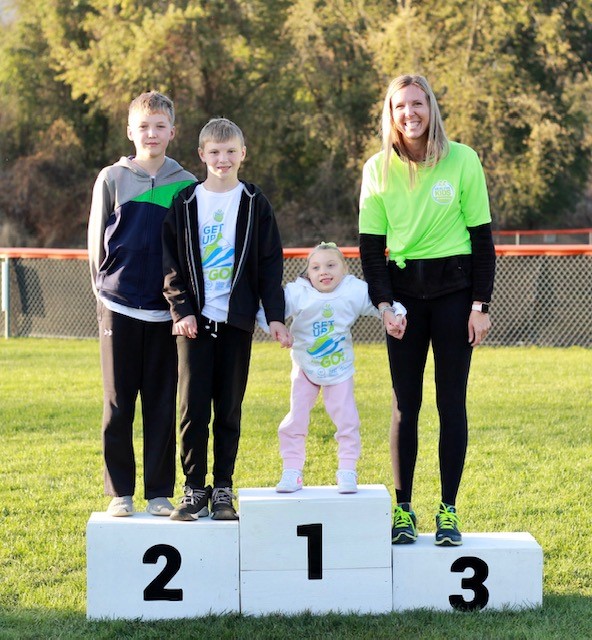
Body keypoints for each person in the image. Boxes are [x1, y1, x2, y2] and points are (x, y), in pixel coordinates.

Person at [359, 74, 496, 546]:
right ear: (390, 113)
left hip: (455, 293)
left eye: (417, 104)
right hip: (403, 298)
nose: (410, 114)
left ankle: (448, 511)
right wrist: (383, 305)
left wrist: (480, 305)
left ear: (431, 108)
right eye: (401, 106)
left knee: (450, 402)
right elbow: (371, 248)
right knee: (404, 405)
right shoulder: (377, 169)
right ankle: (403, 511)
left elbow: (481, 239)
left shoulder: (463, 160)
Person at [162, 117, 290, 521]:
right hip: (194, 324)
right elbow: (171, 264)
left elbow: (270, 264)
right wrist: (181, 310)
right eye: (215, 152)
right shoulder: (185, 203)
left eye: (231, 152)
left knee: (229, 409)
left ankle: (222, 489)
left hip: (235, 322)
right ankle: (193, 489)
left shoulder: (254, 202)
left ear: (243, 154)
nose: (223, 159)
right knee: (192, 409)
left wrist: (275, 317)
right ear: (201, 155)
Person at [88, 91, 196, 517]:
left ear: (172, 131)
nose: (151, 134)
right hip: (119, 305)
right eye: (143, 126)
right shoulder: (112, 178)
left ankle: (157, 493)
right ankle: (120, 492)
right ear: (131, 131)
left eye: (160, 126)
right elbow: (96, 244)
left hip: (165, 310)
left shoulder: (186, 182)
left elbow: (189, 249)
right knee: (118, 403)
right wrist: (105, 290)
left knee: (160, 402)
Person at [271, 242, 407, 495]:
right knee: (296, 418)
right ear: (308, 273)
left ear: (344, 269)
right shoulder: (297, 293)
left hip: (339, 369)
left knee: (347, 421)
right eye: (316, 267)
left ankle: (347, 470)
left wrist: (396, 314)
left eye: (331, 265)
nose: (324, 271)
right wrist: (277, 327)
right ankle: (292, 470)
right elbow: (270, 310)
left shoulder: (353, 291)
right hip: (305, 366)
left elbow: (383, 305)